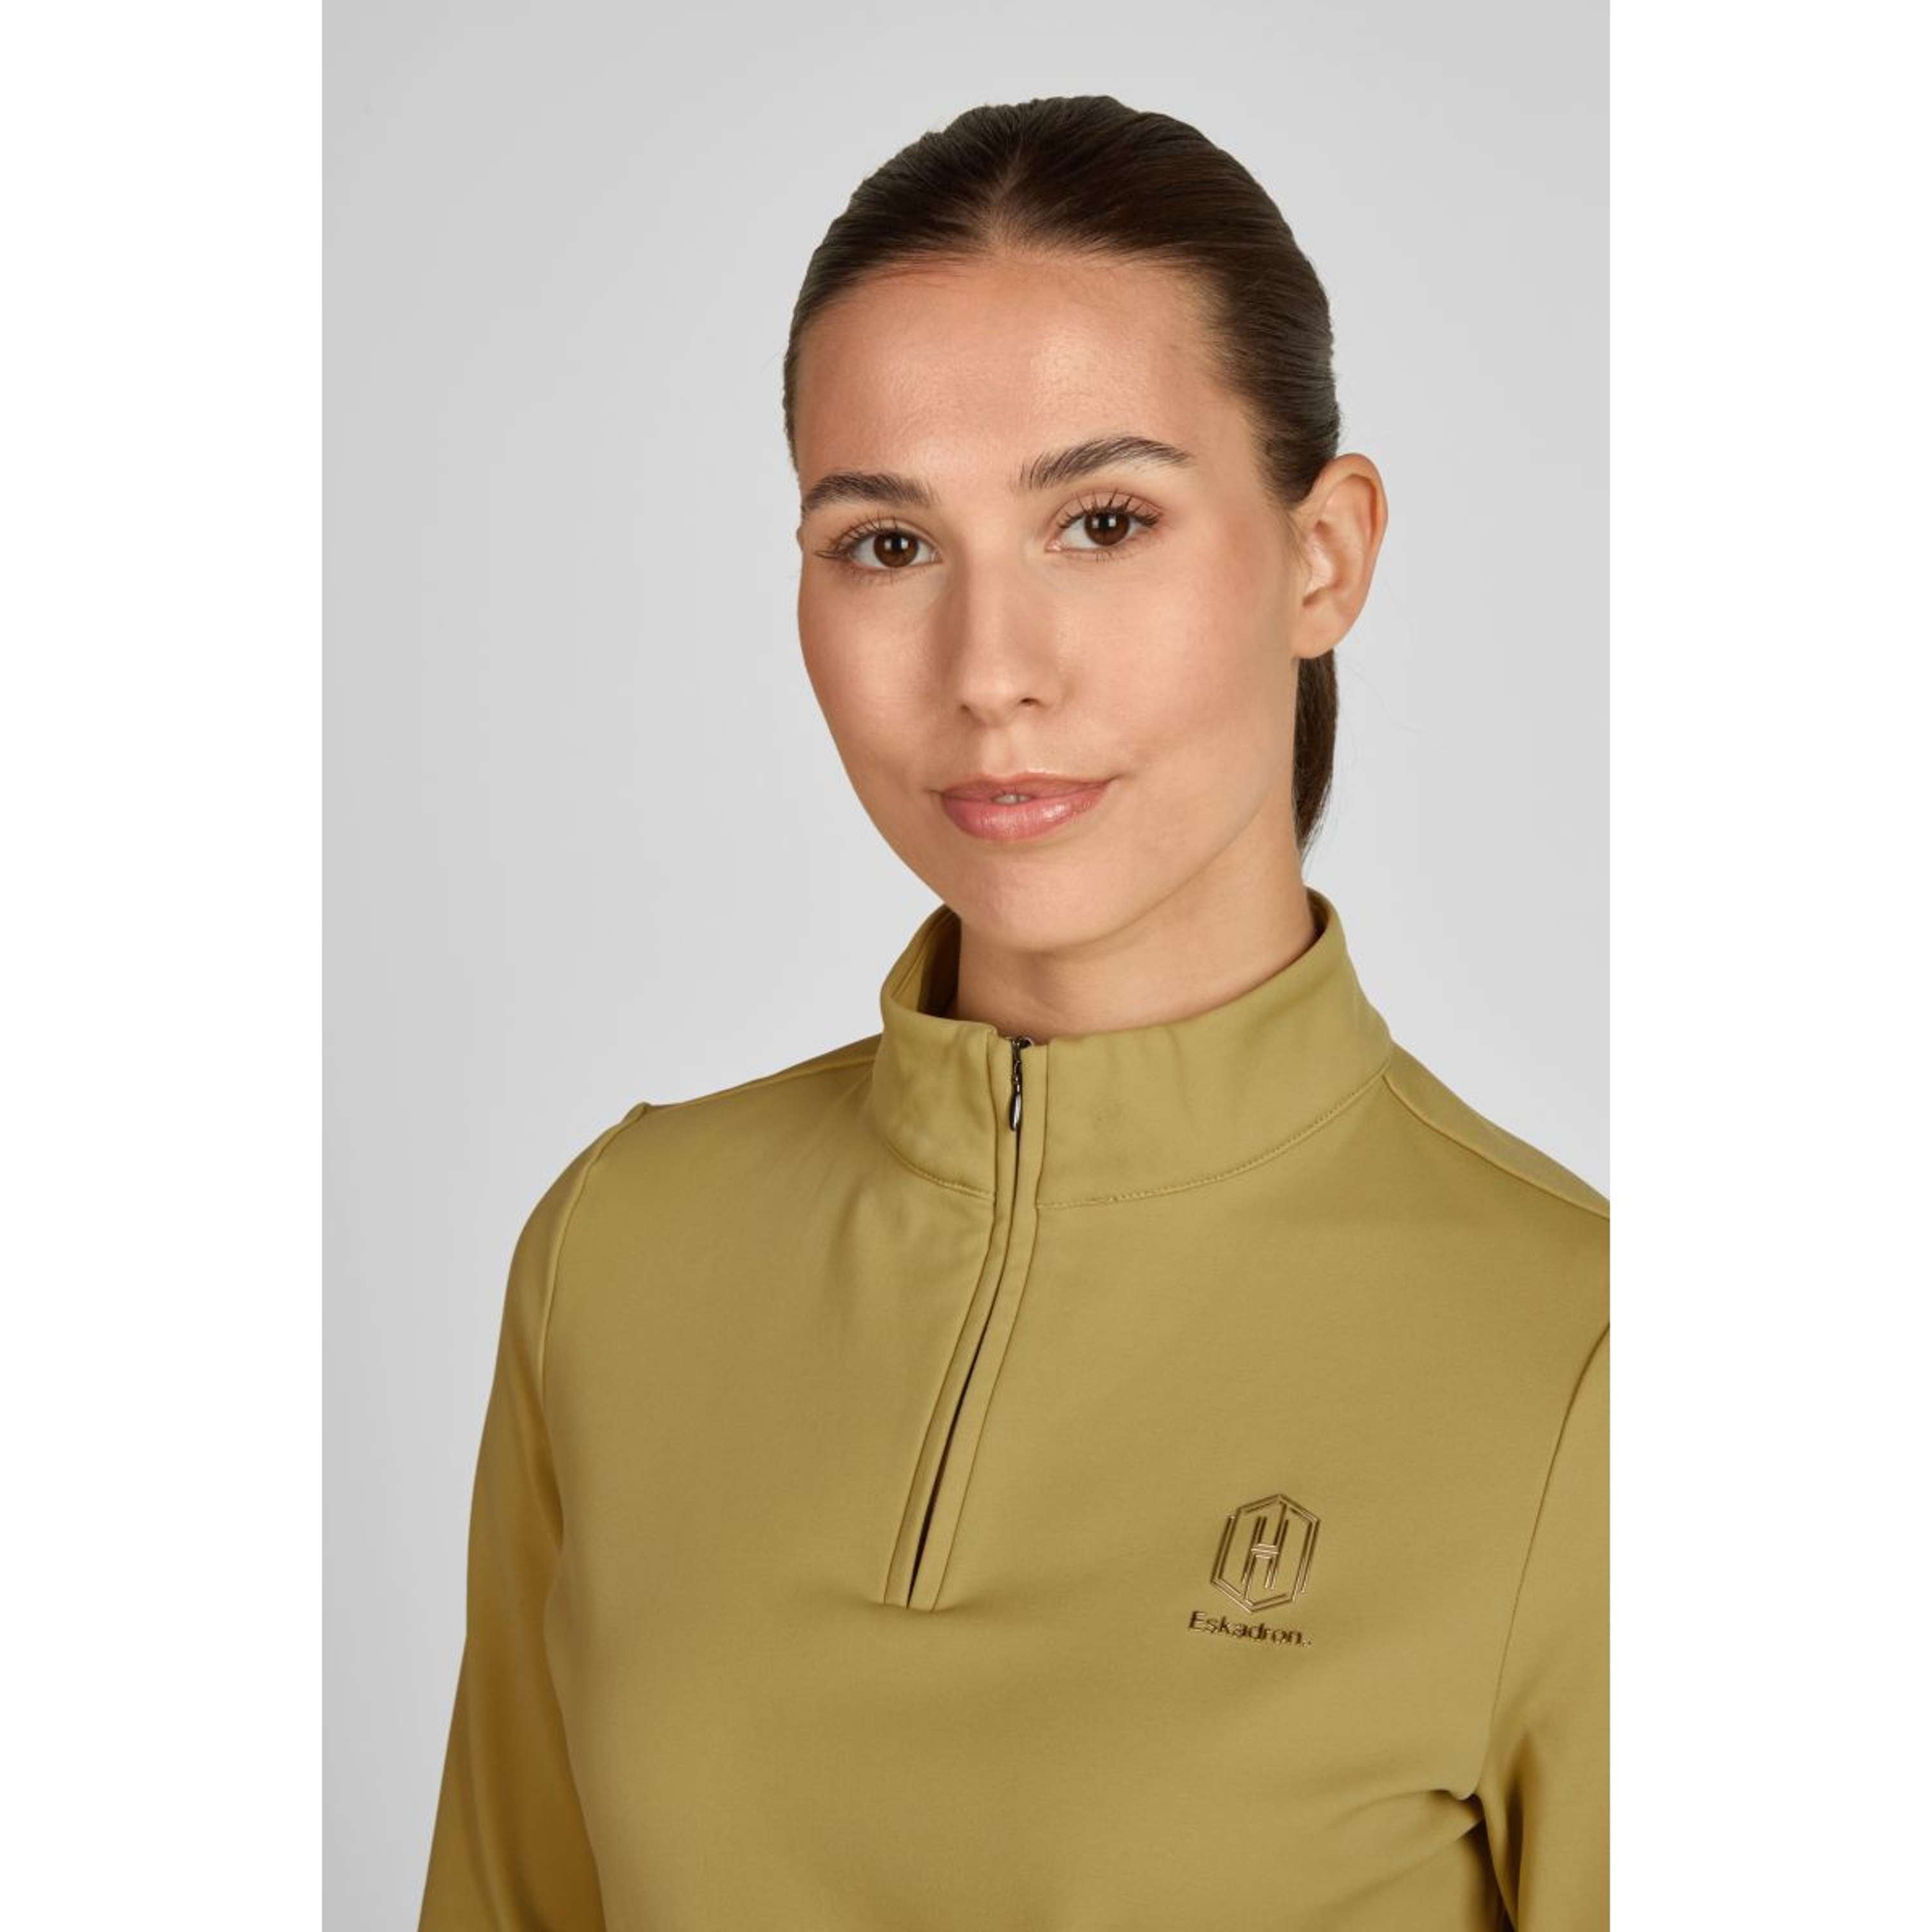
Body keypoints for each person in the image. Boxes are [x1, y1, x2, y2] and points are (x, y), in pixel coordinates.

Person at [418, 93, 1607, 1932]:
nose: (989, 674)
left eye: (1101, 521)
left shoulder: (1590, 1358)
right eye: (887, 545)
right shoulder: (618, 1256)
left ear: (1324, 556)